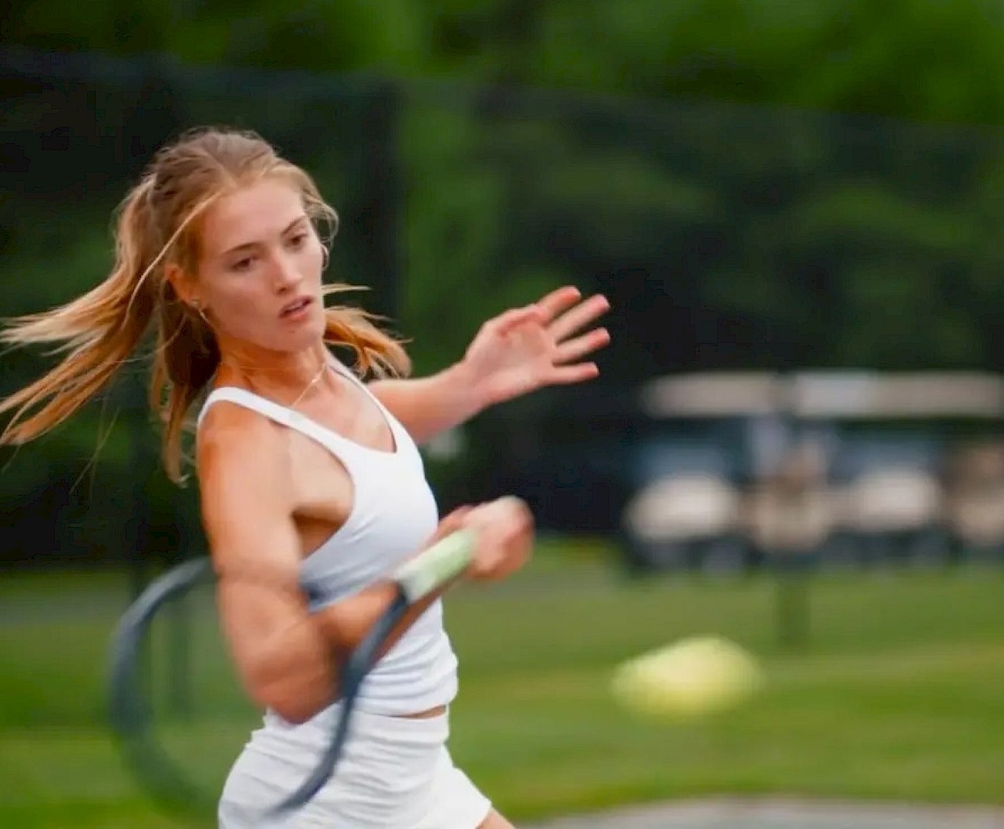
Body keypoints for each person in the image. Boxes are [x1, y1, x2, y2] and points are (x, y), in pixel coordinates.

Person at [0, 126, 611, 828]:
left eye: (295, 240)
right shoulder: (246, 443)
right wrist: (446, 558)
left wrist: (467, 386)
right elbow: (281, 673)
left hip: (417, 780)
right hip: (329, 806)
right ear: (191, 287)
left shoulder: (321, 380)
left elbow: (357, 447)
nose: (287, 275)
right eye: (244, 262)